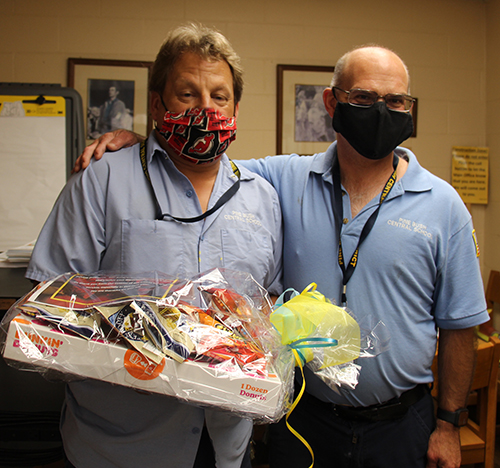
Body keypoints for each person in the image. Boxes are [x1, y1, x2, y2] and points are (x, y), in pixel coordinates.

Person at [73, 44, 489, 468]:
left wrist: (449, 424)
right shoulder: (282, 179)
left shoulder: (444, 204)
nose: (381, 111)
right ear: (332, 103)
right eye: (363, 98)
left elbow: (461, 325)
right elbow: (201, 163)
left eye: (396, 101)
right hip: (301, 420)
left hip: (402, 425)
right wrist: (140, 146)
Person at [26, 23, 283, 468]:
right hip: (118, 445)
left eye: (218, 97)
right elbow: (47, 302)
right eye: (187, 94)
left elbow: (268, 305)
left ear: (235, 108)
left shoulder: (262, 196)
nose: (205, 108)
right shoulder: (103, 181)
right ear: (156, 103)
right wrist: (138, 332)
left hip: (224, 444)